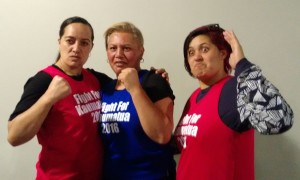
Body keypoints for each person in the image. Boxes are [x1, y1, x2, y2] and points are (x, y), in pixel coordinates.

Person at [174, 24, 294, 180]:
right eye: (191, 52)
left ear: (223, 54)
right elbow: (184, 145)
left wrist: (241, 64)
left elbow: (279, 119)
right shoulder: (194, 97)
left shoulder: (234, 88)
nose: (196, 57)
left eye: (204, 49)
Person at [99, 21, 176, 180]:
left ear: (141, 52)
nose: (118, 54)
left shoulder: (153, 82)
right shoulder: (105, 89)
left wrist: (135, 89)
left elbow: (162, 135)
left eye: (126, 48)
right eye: (113, 48)